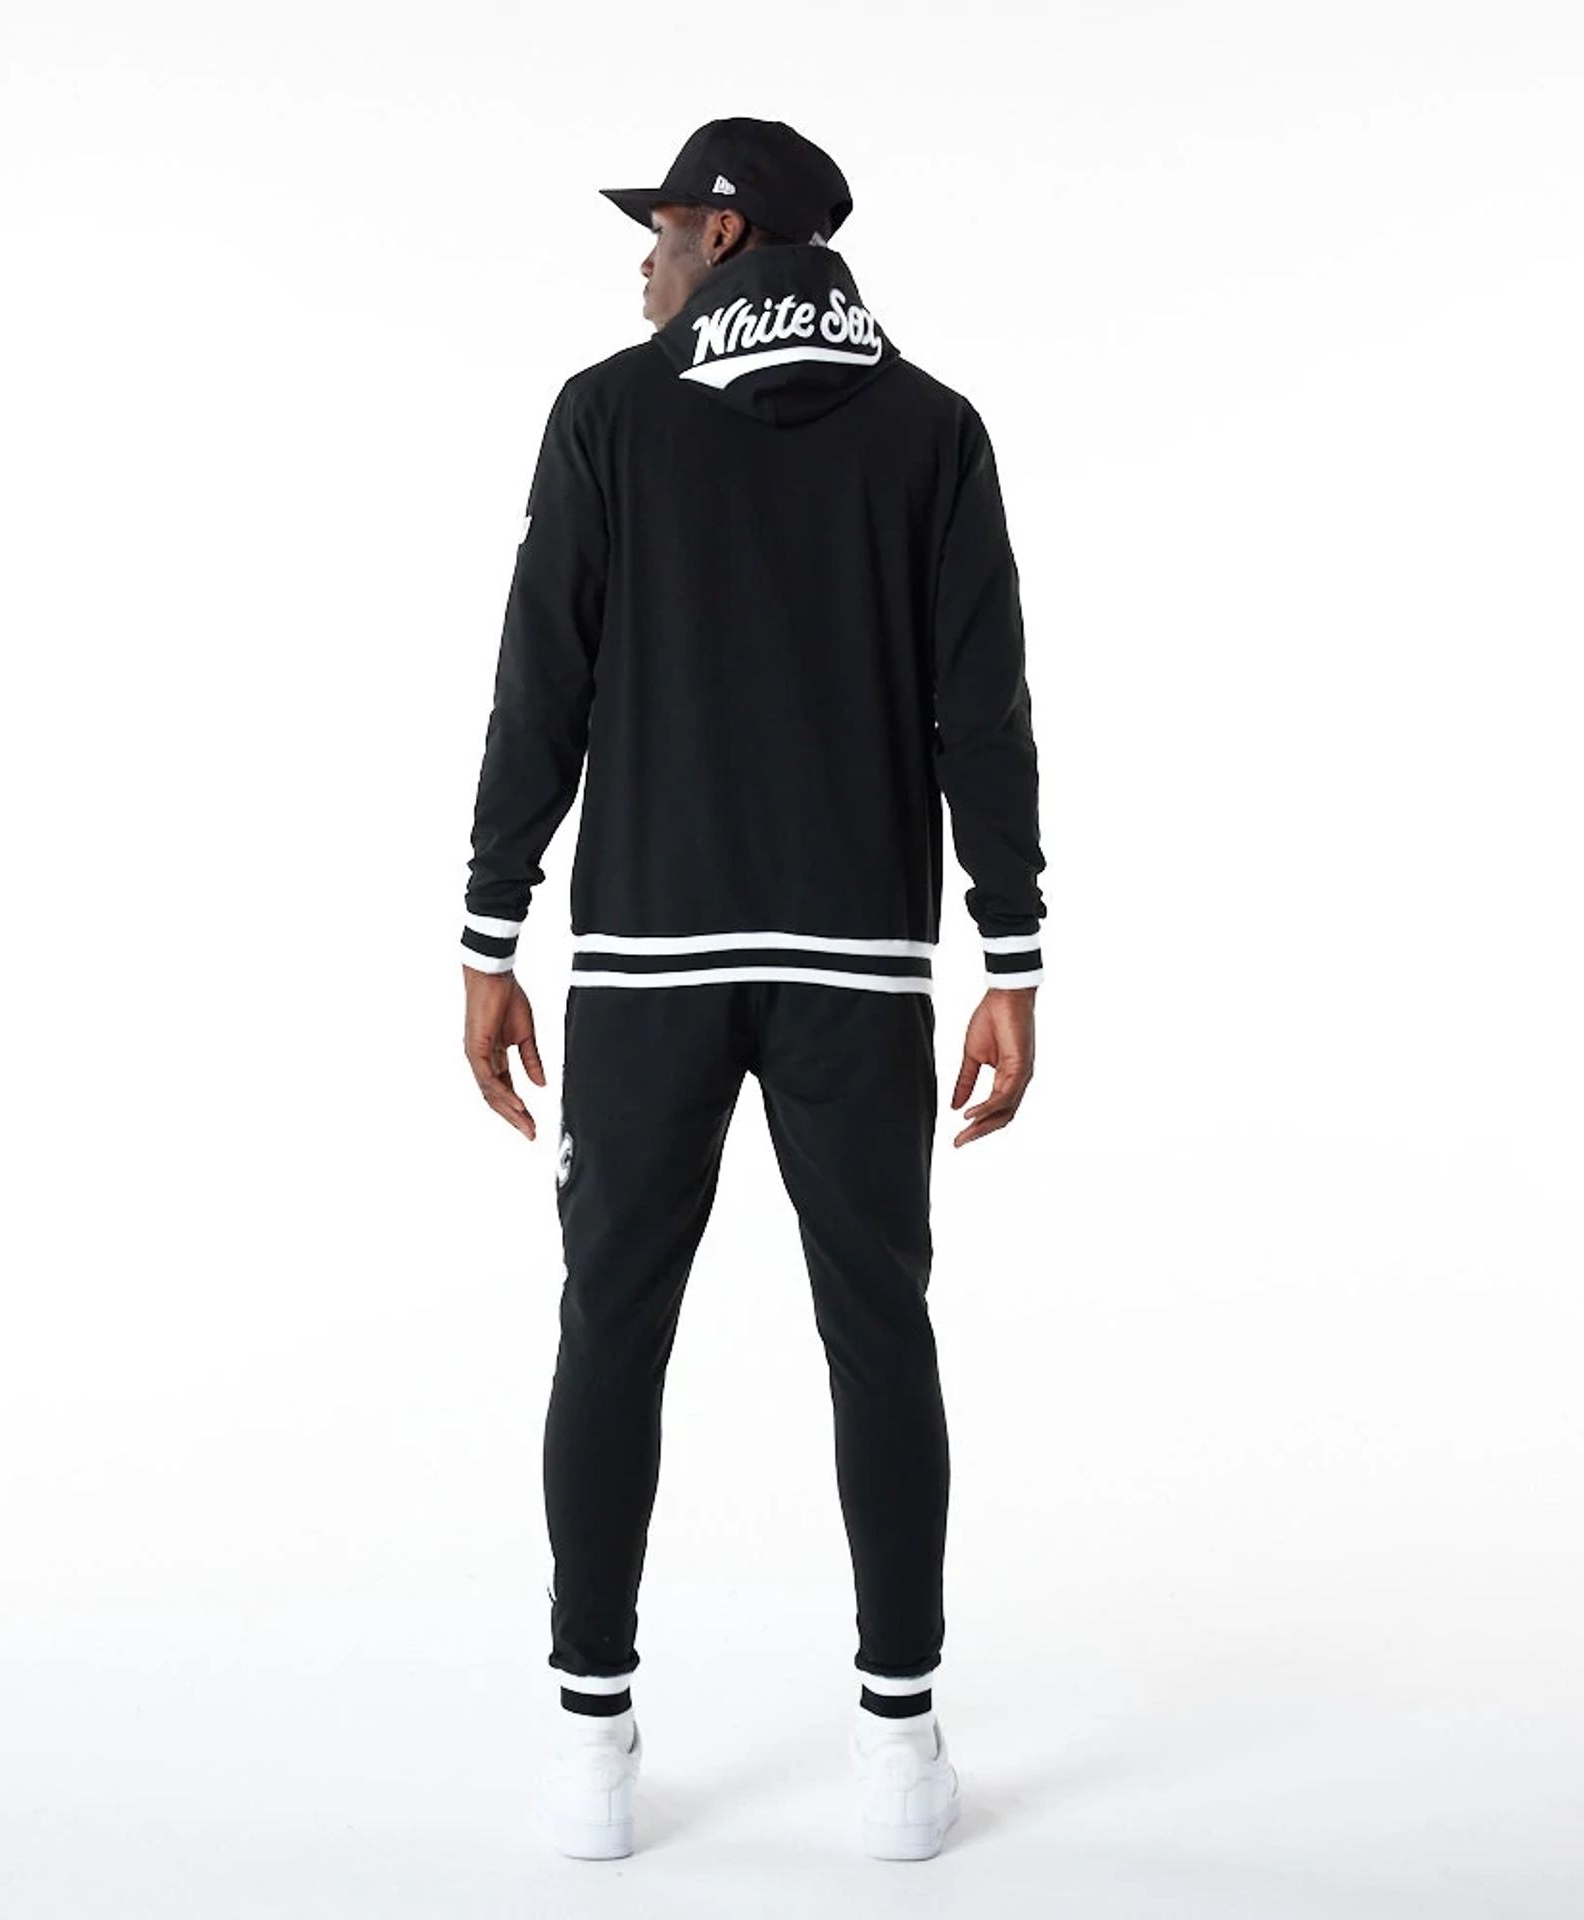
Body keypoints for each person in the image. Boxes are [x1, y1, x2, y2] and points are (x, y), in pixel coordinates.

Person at [458, 116, 1046, 1862]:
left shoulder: (610, 415)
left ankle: (591, 1750)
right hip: (861, 966)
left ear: (724, 233)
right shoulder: (933, 428)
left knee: (611, 1327)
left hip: (649, 959)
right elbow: (984, 710)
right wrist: (1010, 954)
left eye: (657, 230)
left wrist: (490, 933)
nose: (641, 265)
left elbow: (539, 683)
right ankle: (900, 1757)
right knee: (881, 1329)